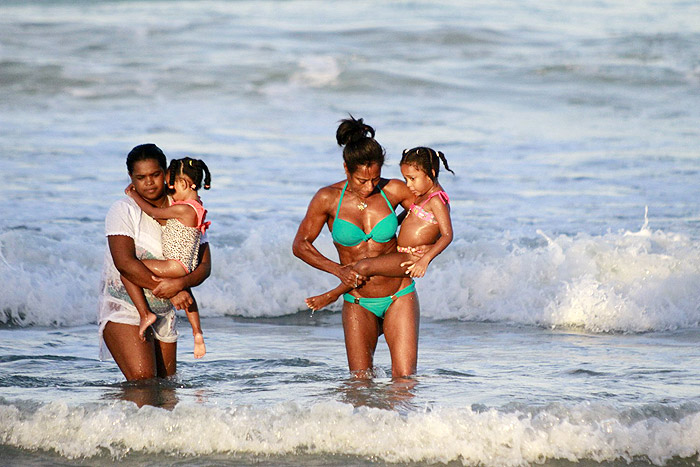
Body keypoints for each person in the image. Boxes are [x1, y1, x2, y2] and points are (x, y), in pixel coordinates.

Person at [293, 116, 418, 378]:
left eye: (375, 178)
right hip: (358, 299)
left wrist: (421, 245)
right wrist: (338, 270)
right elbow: (301, 245)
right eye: (362, 180)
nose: (370, 186)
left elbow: (430, 208)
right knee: (359, 385)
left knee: (404, 383)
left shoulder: (393, 190)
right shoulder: (327, 198)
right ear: (346, 169)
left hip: (399, 294)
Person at [98, 144, 211, 381]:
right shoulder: (123, 210)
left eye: (155, 175)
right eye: (140, 178)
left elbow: (204, 266)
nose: (148, 183)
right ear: (131, 178)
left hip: (165, 314)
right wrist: (171, 292)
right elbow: (125, 263)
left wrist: (180, 284)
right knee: (143, 383)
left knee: (166, 391)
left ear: (167, 174)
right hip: (126, 308)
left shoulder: (185, 207)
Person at [306, 147, 454, 311]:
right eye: (406, 179)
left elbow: (446, 234)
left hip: (409, 257)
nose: (408, 185)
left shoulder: (437, 200)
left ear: (431, 172)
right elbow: (413, 218)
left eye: (412, 179)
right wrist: (392, 222)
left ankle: (332, 295)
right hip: (400, 254)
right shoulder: (424, 197)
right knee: (363, 265)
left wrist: (426, 257)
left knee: (363, 266)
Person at [123, 157, 212, 359]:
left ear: (184, 184)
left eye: (172, 187)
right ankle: (197, 332)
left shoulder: (183, 208)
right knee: (185, 292)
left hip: (174, 265)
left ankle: (145, 314)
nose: (170, 192)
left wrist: (134, 195)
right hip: (186, 265)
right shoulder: (198, 206)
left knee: (129, 271)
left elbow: (154, 212)